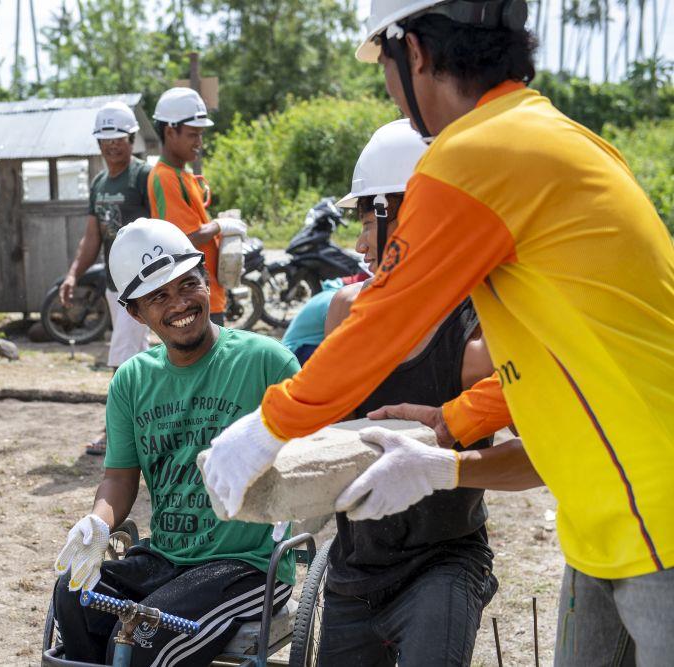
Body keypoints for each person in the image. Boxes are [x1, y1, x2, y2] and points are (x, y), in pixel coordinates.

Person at [202, 1, 674, 664]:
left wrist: (267, 425)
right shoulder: (556, 136)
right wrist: (449, 424)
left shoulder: (477, 151)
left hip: (656, 511)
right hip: (610, 512)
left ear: (414, 52)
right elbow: (562, 358)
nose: (392, 92)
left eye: (385, 72)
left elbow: (384, 320)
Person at [313, 119, 541, 665]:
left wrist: (446, 468)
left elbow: (541, 459)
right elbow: (327, 430)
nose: (361, 242)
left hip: (442, 563)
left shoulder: (477, 342)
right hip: (354, 567)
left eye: (370, 219)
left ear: (413, 217)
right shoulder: (346, 313)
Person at [52, 218, 297, 666]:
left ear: (206, 282)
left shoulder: (266, 362)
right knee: (72, 597)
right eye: (159, 296)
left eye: (188, 285)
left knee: (147, 640)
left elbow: (314, 455)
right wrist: (97, 524)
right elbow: (119, 477)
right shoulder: (131, 381)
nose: (180, 303)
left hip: (247, 563)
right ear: (135, 313)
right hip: (167, 555)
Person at [61, 101, 152, 455]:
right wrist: (72, 275)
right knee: (137, 353)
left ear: (132, 139)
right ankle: (143, 419)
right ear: (98, 143)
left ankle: (113, 430)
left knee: (123, 355)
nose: (112, 145)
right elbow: (92, 236)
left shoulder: (144, 176)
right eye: (106, 140)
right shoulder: (99, 183)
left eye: (119, 139)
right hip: (117, 283)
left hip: (144, 282)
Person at [147, 87, 247, 326]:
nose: (199, 142)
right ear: (171, 131)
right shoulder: (165, 177)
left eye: (201, 135)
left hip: (207, 295)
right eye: (193, 134)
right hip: (194, 300)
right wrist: (219, 226)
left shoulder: (182, 175)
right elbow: (183, 241)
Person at [279, 278, 346, 365]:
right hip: (295, 352)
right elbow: (336, 343)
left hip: (295, 349)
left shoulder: (331, 295)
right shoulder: (334, 302)